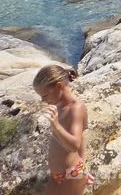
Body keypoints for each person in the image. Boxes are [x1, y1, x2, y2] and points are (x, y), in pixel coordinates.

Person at [33, 64, 93, 192]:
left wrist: (56, 126)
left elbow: (75, 145)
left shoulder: (76, 108)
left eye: (45, 95)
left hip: (72, 174)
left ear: (59, 86)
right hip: (57, 174)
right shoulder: (59, 106)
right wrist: (84, 167)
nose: (43, 100)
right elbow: (81, 138)